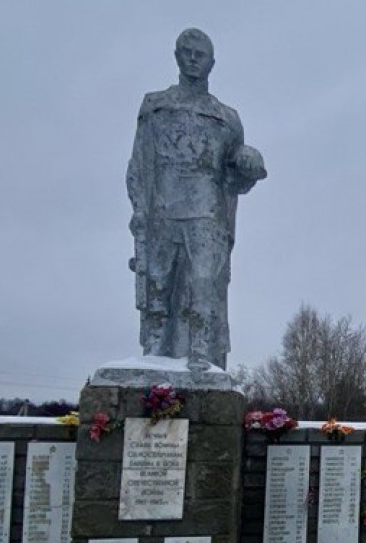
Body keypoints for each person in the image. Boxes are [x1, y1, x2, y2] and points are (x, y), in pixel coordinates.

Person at [126, 28, 266, 371]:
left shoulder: (226, 117)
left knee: (204, 284)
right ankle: (155, 355)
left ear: (211, 63)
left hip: (207, 213)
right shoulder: (155, 106)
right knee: (159, 284)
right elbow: (138, 164)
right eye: (187, 52)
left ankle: (203, 354)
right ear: (176, 56)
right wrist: (140, 211)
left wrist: (249, 163)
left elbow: (235, 177)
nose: (192, 58)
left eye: (199, 54)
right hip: (162, 209)